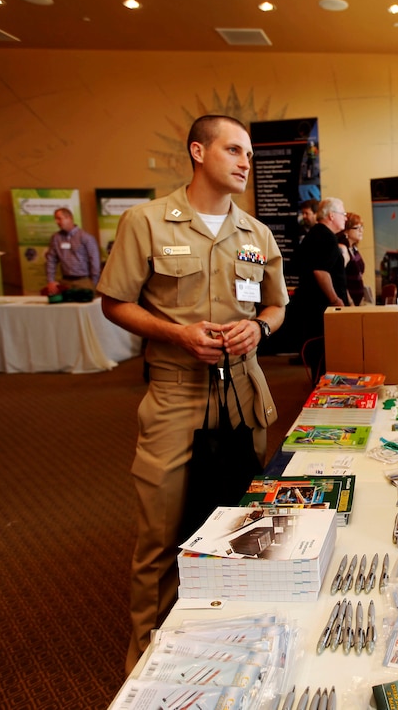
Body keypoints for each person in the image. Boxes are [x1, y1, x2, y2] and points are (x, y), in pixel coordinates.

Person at [97, 114, 288, 674]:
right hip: (176, 395)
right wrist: (176, 332)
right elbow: (115, 301)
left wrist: (262, 329)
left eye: (249, 153)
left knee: (239, 523)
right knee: (160, 533)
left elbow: (275, 306)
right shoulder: (148, 221)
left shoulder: (257, 234)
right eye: (234, 150)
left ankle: (230, 629)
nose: (245, 162)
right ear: (198, 151)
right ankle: (148, 653)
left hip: (243, 396)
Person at [44, 207, 101, 294]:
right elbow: (51, 260)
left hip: (84, 281)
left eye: (59, 218)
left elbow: (94, 261)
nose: (57, 222)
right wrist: (50, 281)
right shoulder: (56, 238)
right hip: (65, 281)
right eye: (55, 219)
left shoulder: (86, 237)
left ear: (69, 218)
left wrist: (93, 283)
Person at [338, 212, 371, 306]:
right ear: (346, 231)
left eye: (362, 227)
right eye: (357, 228)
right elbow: (340, 280)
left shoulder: (353, 248)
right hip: (349, 302)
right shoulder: (343, 249)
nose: (361, 231)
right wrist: (350, 301)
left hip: (358, 300)